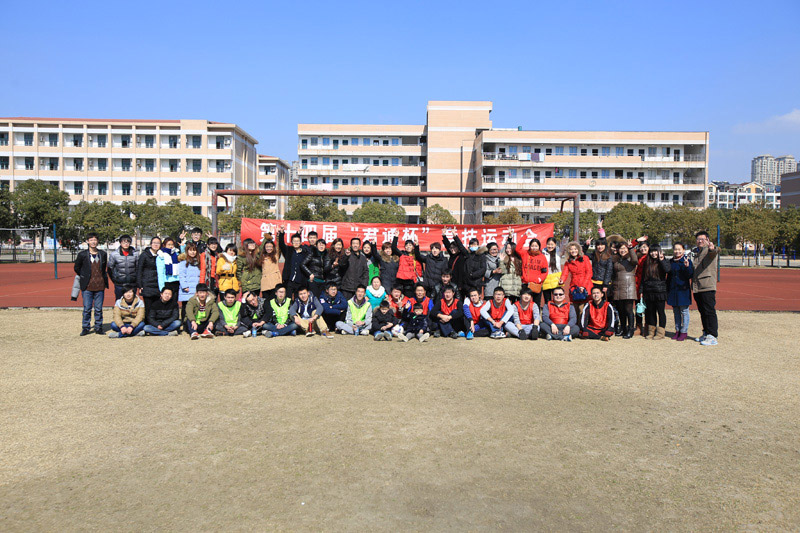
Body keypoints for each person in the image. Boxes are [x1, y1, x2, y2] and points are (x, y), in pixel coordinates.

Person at [74, 232, 108, 335]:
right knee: (87, 308)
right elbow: (77, 268)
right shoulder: (82, 255)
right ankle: (85, 327)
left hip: (100, 286)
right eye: (91, 240)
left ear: (98, 241)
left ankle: (98, 327)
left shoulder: (102, 254)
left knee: (98, 309)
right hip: (87, 286)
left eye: (95, 240)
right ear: (87, 241)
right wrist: (84, 276)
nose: (93, 242)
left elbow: (103, 268)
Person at [693, 231, 719, 346]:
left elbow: (714, 252)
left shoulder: (709, 249)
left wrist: (712, 248)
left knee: (709, 311)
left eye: (702, 239)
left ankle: (712, 335)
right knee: (702, 311)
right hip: (697, 286)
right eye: (698, 239)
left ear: (707, 240)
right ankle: (706, 332)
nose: (700, 241)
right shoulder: (696, 252)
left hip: (707, 285)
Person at [639, 244, 670, 340]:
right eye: (652, 251)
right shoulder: (647, 262)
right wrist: (641, 290)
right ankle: (651, 332)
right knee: (651, 312)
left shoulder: (664, 261)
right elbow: (643, 278)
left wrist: (661, 260)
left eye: (655, 251)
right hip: (648, 291)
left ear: (659, 251)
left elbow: (667, 269)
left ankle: (660, 333)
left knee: (660, 312)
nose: (653, 253)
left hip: (660, 291)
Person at [444, 229, 486, 296]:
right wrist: (455, 236)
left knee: (475, 298)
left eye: (475, 245)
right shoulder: (467, 255)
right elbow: (460, 246)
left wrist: (472, 274)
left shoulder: (482, 255)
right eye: (471, 245)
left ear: (478, 245)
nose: (473, 246)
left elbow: (483, 269)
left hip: (477, 283)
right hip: (467, 284)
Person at [667, 242, 694, 341]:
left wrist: (687, 267)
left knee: (684, 311)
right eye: (675, 249)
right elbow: (668, 277)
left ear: (683, 250)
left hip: (683, 291)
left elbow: (690, 275)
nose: (677, 251)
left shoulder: (686, 261)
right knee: (676, 312)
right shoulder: (671, 262)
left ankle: (684, 332)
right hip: (673, 291)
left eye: (679, 249)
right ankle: (677, 330)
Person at [611, 242, 638, 339]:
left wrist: (631, 249)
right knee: (621, 310)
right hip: (617, 287)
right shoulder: (617, 260)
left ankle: (630, 329)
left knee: (628, 310)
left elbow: (635, 260)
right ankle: (623, 328)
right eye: (621, 248)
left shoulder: (630, 258)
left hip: (628, 286)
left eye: (624, 248)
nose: (622, 250)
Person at [560, 241, 593, 315]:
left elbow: (589, 273)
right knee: (575, 309)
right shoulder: (568, 261)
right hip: (574, 286)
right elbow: (565, 273)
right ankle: (576, 322)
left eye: (575, 249)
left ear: (578, 249)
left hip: (585, 285)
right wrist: (562, 280)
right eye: (571, 249)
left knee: (582, 309)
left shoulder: (585, 258)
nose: (573, 251)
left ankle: (582, 322)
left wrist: (583, 286)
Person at [517, 237, 549, 308]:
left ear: (539, 247)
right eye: (532, 246)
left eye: (536, 246)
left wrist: (539, 280)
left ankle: (536, 315)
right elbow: (517, 248)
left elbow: (545, 271)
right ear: (529, 246)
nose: (534, 248)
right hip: (525, 284)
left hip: (536, 284)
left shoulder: (542, 257)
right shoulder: (525, 254)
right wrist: (524, 237)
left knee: (536, 304)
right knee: (524, 303)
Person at [279, 229, 309, 299]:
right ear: (291, 242)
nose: (296, 243)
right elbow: (281, 244)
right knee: (287, 299)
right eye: (294, 241)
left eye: (297, 241)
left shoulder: (304, 253)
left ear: (300, 242)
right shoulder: (288, 251)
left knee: (298, 300)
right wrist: (282, 233)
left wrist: (299, 233)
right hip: (289, 280)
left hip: (300, 281)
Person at [107, 234, 138, 300]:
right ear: (120, 243)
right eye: (124, 242)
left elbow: (138, 268)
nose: (126, 244)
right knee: (119, 302)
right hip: (119, 284)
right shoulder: (114, 254)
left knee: (133, 302)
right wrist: (115, 279)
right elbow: (110, 268)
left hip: (132, 283)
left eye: (127, 242)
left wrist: (136, 279)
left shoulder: (135, 254)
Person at [178, 242, 204, 319]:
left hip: (196, 288)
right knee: (186, 307)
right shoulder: (183, 263)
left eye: (194, 250)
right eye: (190, 250)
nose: (192, 252)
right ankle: (184, 322)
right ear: (187, 251)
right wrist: (184, 286)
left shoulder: (199, 263)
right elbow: (182, 275)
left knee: (196, 307)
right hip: (187, 289)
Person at [137, 236, 162, 314]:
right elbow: (139, 270)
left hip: (158, 284)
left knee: (157, 307)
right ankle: (148, 321)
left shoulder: (161, 255)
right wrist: (140, 285)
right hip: (147, 284)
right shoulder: (144, 255)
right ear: (151, 244)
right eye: (154, 243)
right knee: (148, 307)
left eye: (158, 243)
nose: (156, 245)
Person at [156, 237, 181, 306]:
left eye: (172, 244)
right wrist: (162, 288)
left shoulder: (176, 254)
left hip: (176, 281)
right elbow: (160, 273)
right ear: (164, 245)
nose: (171, 246)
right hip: (167, 282)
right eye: (169, 244)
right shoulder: (161, 256)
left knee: (175, 303)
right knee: (167, 303)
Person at [259, 230, 282, 301]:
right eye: (267, 247)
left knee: (275, 300)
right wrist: (267, 236)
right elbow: (260, 248)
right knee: (266, 301)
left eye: (270, 246)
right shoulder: (262, 256)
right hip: (265, 282)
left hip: (275, 281)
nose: (269, 248)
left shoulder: (276, 255)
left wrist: (278, 236)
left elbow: (279, 245)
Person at [634, 240, 650, 336]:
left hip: (646, 285)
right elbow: (630, 250)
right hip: (637, 284)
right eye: (641, 247)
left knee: (647, 308)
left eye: (645, 247)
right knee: (638, 307)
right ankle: (639, 327)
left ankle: (647, 327)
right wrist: (636, 241)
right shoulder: (638, 257)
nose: (643, 249)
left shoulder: (650, 257)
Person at [541, 237, 563, 304]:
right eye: (548, 244)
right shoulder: (543, 253)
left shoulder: (559, 252)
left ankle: (557, 310)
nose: (550, 246)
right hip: (546, 279)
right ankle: (548, 310)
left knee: (557, 299)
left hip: (556, 279)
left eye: (552, 244)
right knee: (547, 300)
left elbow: (564, 245)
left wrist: (566, 237)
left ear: (555, 244)